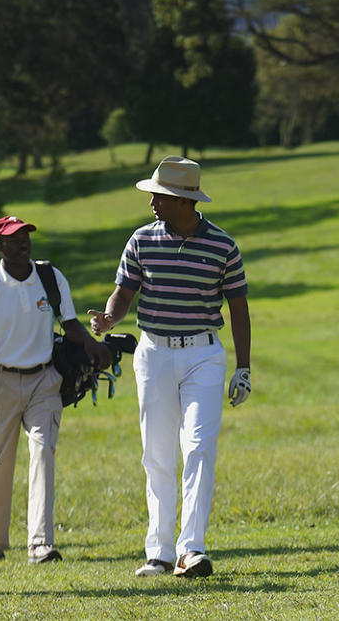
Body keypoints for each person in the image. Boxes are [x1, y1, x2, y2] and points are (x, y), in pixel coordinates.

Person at [89, 155, 251, 580]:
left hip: (203, 355)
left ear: (184, 201)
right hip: (154, 352)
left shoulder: (223, 246)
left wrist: (244, 368)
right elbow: (124, 293)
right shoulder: (141, 240)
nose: (152, 203)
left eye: (160, 196)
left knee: (198, 446)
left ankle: (190, 550)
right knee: (157, 454)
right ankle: (159, 553)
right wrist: (109, 319)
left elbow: (239, 309)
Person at [0, 215, 110, 565]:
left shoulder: (50, 278)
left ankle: (41, 544)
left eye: (25, 236)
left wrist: (92, 345)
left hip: (44, 379)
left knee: (43, 454)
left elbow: (68, 324)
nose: (22, 242)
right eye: (12, 238)